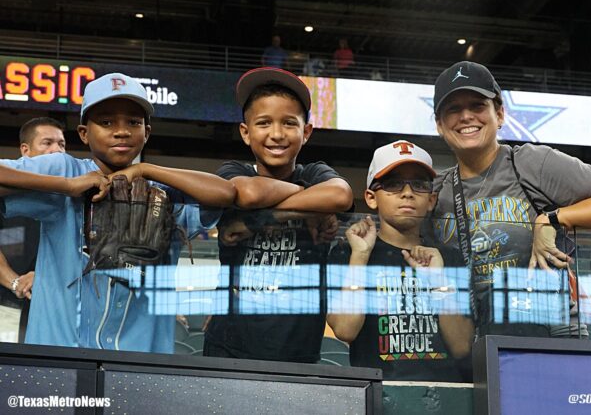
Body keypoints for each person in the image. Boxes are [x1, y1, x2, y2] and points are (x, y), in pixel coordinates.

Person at [0, 72, 236, 352]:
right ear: (84, 134)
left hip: (138, 364)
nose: (121, 130)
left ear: (146, 132)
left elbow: (225, 193)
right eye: (106, 121)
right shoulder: (64, 169)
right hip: (60, 357)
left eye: (134, 122)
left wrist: (145, 170)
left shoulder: (163, 191)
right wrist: (66, 185)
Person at [430, 61, 591, 336]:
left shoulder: (530, 163)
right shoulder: (435, 189)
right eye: (453, 109)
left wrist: (551, 219)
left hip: (550, 330)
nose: (466, 116)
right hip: (471, 336)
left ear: (500, 114)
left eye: (478, 106)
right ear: (439, 125)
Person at [203, 67, 353, 363]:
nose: (276, 134)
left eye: (288, 123)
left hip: (298, 350)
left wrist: (257, 219)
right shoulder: (233, 171)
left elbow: (341, 195)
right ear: (245, 132)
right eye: (263, 123)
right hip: (229, 349)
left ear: (306, 132)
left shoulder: (315, 172)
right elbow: (249, 193)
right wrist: (305, 204)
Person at [327, 140, 473, 381]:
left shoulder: (449, 258)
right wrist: (360, 256)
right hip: (377, 395)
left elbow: (461, 346)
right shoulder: (348, 253)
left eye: (419, 184)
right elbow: (345, 330)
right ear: (372, 198)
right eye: (393, 184)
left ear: (431, 200)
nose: (407, 192)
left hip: (445, 396)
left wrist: (438, 281)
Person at [0, 117, 66, 343]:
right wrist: (15, 281)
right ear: (25, 150)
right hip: (5, 304)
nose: (56, 150)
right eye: (47, 143)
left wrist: (45, 276)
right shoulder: (6, 191)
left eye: (61, 144)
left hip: (49, 311)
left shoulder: (72, 194)